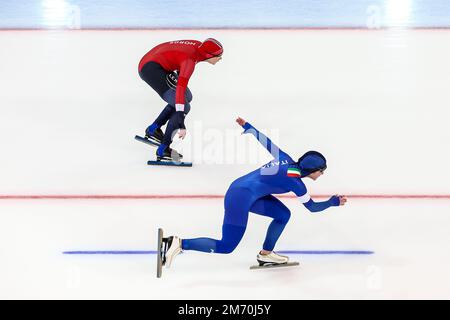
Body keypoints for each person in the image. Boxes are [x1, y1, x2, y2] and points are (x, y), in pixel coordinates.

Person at [162, 117, 347, 268]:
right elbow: (312, 208)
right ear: (312, 171)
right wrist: (333, 202)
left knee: (283, 214)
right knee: (226, 246)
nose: (322, 173)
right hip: (240, 198)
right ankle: (179, 243)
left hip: (244, 190)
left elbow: (267, 143)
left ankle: (266, 255)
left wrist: (249, 127)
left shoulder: (286, 159)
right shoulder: (297, 184)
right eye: (322, 170)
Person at [138, 38, 223, 161]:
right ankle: (163, 149)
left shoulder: (198, 47)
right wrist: (180, 119)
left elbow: (178, 59)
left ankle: (153, 129)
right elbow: (180, 88)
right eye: (219, 56)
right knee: (184, 106)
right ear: (209, 55)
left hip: (156, 61)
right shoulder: (189, 61)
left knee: (187, 97)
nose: (220, 58)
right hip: (151, 69)